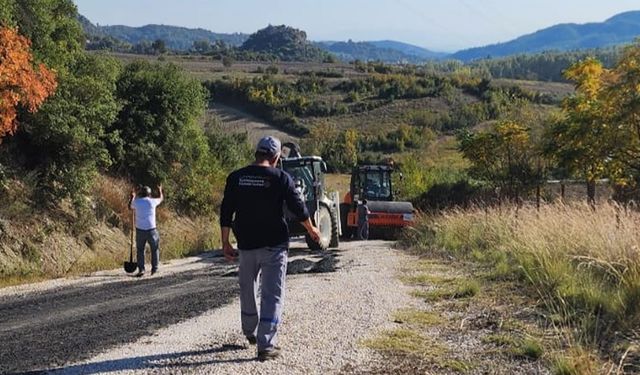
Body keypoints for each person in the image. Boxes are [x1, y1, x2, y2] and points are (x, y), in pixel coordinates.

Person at [220, 136, 321, 362]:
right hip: (274, 245)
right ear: (276, 157)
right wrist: (312, 229)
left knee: (247, 288)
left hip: (246, 245)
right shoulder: (281, 177)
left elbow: (226, 210)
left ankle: (250, 331)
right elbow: (298, 206)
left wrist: (225, 242)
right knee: (272, 294)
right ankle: (266, 345)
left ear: (257, 154)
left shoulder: (236, 177)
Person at [129, 185, 163, 277]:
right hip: (152, 229)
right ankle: (154, 269)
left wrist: (133, 196)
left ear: (141, 193)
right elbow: (161, 198)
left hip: (140, 230)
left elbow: (130, 206)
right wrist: (160, 190)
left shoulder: (137, 202)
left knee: (140, 250)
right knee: (154, 249)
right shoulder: (153, 202)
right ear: (149, 194)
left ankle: (141, 270)